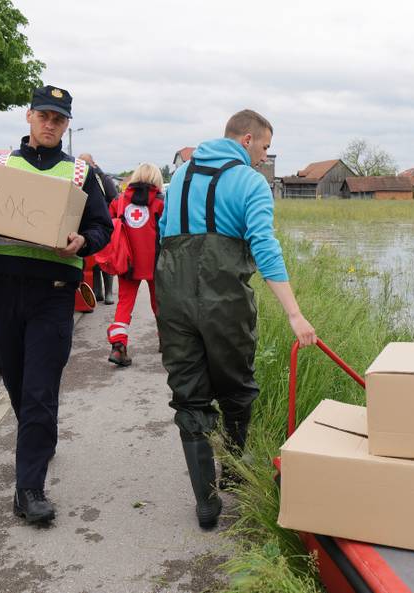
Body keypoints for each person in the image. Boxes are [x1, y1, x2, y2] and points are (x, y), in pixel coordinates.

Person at [0, 85, 112, 524]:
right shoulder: (1, 166)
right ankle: (39, 434)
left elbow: (102, 228)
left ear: (66, 125)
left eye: (58, 119)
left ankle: (29, 490)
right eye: (44, 115)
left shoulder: (80, 174)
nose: (50, 124)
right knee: (14, 375)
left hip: (53, 292)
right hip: (2, 289)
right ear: (28, 116)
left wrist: (84, 240)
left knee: (41, 389)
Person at [156, 109, 317, 530]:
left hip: (173, 299)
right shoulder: (251, 183)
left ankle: (205, 503)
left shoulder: (180, 178)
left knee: (188, 393)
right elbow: (264, 246)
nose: (265, 157)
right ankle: (232, 471)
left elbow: (163, 235)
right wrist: (295, 314)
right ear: (246, 140)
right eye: (264, 147)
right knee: (236, 386)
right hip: (225, 300)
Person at [106, 163, 164, 366]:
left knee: (124, 303)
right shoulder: (160, 202)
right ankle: (166, 340)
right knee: (160, 302)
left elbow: (108, 225)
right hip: (156, 263)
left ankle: (119, 347)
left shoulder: (119, 201)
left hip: (127, 262)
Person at [79, 153, 118, 305]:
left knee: (106, 260)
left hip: (104, 224)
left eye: (86, 163)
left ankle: (108, 293)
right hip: (88, 225)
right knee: (94, 260)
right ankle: (98, 292)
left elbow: (114, 199)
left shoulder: (105, 179)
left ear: (93, 163)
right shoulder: (82, 177)